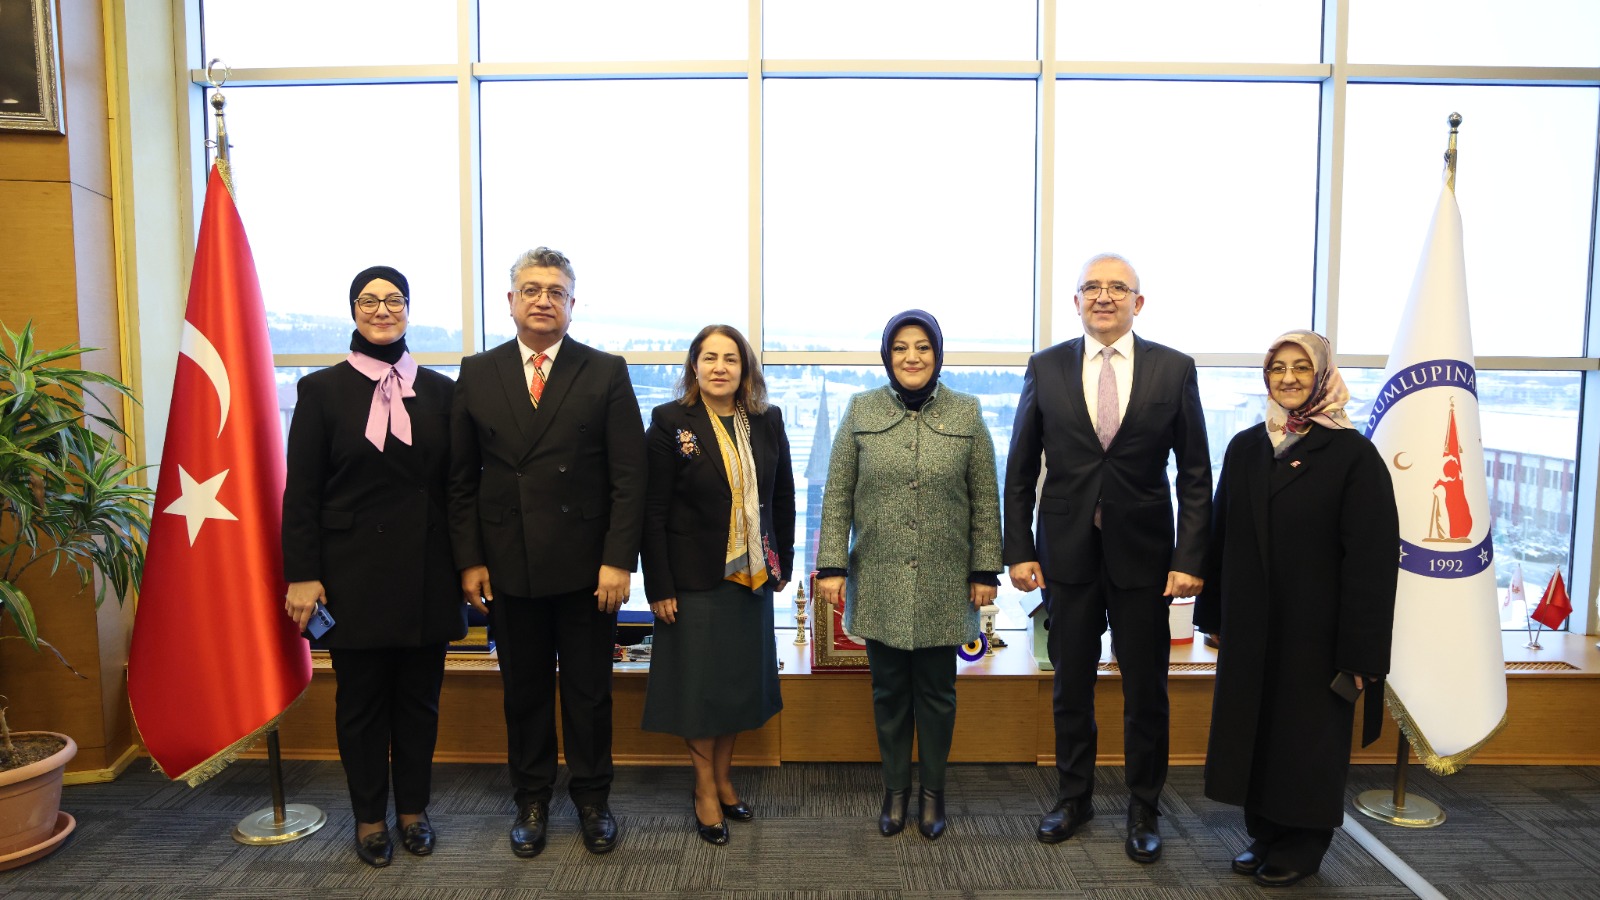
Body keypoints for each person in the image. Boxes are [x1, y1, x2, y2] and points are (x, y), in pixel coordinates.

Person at [1003, 253, 1210, 863]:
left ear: (1137, 303)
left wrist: (1189, 557)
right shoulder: (1046, 367)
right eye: (1091, 287)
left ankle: (1144, 807)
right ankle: (1074, 798)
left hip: (1145, 558)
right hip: (1065, 555)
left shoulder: (1174, 369)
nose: (1103, 296)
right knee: (1070, 685)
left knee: (1147, 690)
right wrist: (1019, 549)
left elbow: (1195, 475)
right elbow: (1020, 470)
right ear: (1075, 301)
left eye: (1117, 287)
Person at [447, 247, 646, 858]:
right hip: (509, 562)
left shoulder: (604, 370)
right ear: (511, 301)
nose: (542, 300)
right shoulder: (478, 371)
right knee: (525, 691)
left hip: (589, 568)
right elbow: (461, 479)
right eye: (531, 290)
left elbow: (630, 476)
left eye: (555, 291)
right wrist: (470, 560)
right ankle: (531, 798)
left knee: (589, 692)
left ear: (571, 304)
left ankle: (592, 798)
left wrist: (619, 560)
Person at [1194, 330, 1398, 888]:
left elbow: (1373, 561)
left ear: (1323, 375)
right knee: (1256, 731)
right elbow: (1222, 533)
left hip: (1318, 633)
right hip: (1252, 625)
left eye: (1301, 368)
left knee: (1305, 738)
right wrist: (1214, 617)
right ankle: (1265, 832)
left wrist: (1361, 651)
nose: (1287, 378)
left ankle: (1303, 845)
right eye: (1277, 368)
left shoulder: (1353, 454)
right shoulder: (1247, 446)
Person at [282, 265, 467, 868]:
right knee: (360, 707)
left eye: (394, 300)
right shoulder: (320, 390)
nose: (382, 310)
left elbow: (459, 490)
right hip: (350, 574)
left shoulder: (441, 392)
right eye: (369, 300)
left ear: (409, 310)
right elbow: (301, 492)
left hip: (427, 573)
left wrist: (469, 565)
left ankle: (413, 812)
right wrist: (302, 573)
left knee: (420, 703)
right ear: (353, 310)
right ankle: (368, 818)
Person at [815, 309, 1003, 841]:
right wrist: (831, 564)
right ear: (887, 355)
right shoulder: (861, 409)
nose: (912, 357)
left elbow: (985, 498)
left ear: (937, 356)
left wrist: (985, 568)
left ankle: (933, 793)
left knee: (938, 694)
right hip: (878, 575)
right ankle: (896, 791)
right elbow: (837, 494)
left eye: (922, 347)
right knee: (889, 693)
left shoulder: (967, 412)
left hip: (947, 579)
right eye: (901, 347)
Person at [639, 324, 794, 846]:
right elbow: (652, 511)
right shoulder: (669, 421)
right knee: (699, 691)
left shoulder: (767, 420)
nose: (720, 367)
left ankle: (724, 779)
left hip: (751, 579)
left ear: (744, 368)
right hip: (692, 582)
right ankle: (704, 788)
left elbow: (783, 497)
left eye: (731, 358)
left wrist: (782, 563)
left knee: (735, 687)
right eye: (709, 357)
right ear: (694, 366)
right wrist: (659, 585)